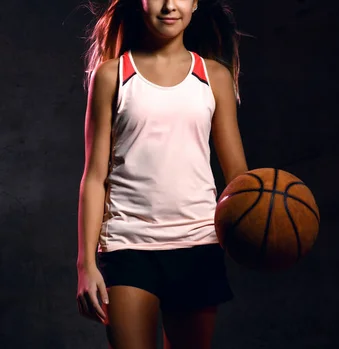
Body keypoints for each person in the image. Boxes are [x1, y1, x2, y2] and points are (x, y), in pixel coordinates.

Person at [75, 0, 248, 348]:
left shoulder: (214, 77)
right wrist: (85, 264)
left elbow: (239, 179)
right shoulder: (111, 75)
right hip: (127, 245)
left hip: (197, 245)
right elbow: (94, 178)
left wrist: (263, 226)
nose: (169, 5)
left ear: (195, 3)